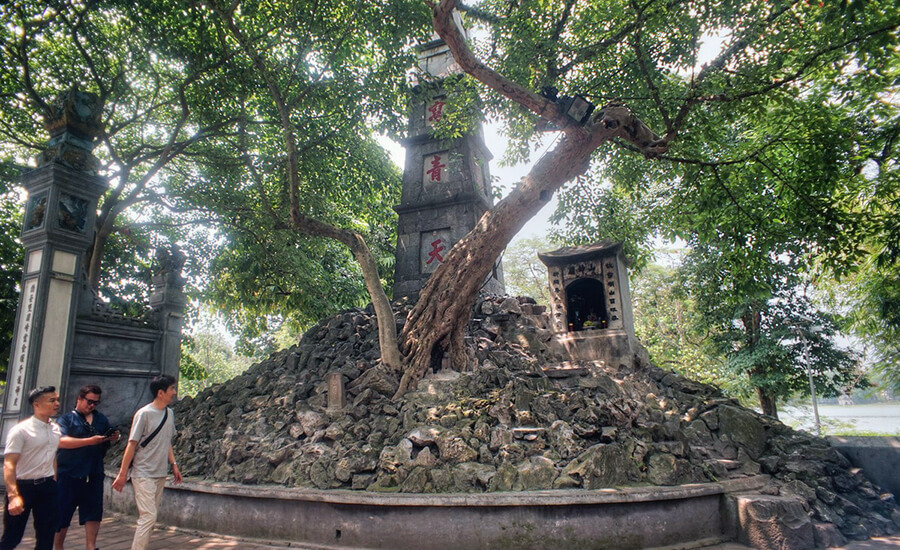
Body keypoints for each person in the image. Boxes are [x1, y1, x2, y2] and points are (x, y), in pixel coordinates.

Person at [112, 375, 181, 550]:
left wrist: (174, 465)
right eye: (172, 388)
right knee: (148, 516)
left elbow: (166, 442)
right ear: (160, 392)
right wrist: (122, 474)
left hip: (160, 473)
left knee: (151, 518)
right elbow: (132, 444)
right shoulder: (144, 414)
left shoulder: (169, 413)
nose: (174, 392)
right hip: (143, 473)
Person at [54, 385, 120, 550]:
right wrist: (89, 441)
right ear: (79, 399)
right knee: (62, 512)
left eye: (95, 403)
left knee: (93, 512)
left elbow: (106, 436)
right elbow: (61, 441)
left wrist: (113, 437)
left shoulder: (101, 419)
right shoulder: (66, 419)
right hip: (69, 473)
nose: (92, 406)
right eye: (89, 402)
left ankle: (91, 546)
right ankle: (58, 546)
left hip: (93, 472)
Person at [1, 387, 62, 550]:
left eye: (57, 400)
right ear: (37, 404)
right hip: (23, 487)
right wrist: (13, 496)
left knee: (46, 535)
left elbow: (52, 456)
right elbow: (9, 464)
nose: (57, 404)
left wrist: (53, 481)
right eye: (52, 400)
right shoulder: (20, 430)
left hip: (47, 487)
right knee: (12, 536)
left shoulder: (55, 428)